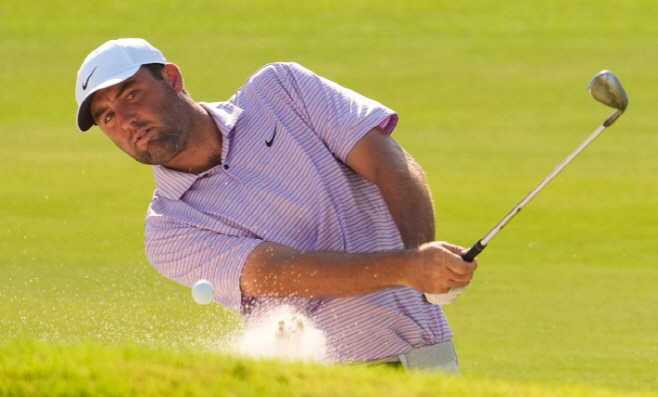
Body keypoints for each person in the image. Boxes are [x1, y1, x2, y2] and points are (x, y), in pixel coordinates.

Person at [75, 38, 477, 371]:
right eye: (106, 117)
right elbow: (280, 273)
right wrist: (409, 268)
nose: (125, 119)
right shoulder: (168, 229)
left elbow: (386, 160)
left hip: (426, 359)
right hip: (324, 389)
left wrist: (421, 253)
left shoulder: (281, 90)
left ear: (173, 79)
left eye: (132, 94)